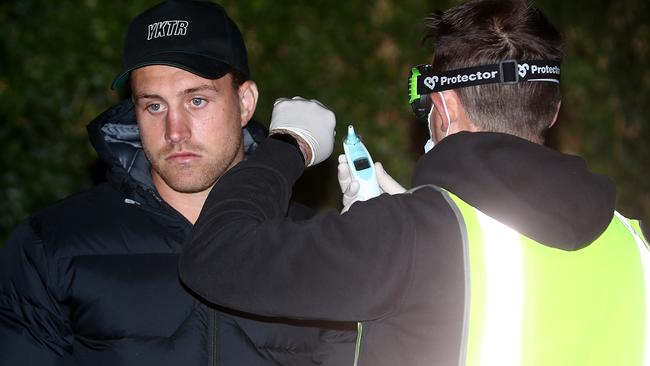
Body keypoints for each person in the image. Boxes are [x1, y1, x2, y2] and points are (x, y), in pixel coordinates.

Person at [179, 0, 650, 365]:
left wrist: (288, 145)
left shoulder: (406, 238)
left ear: (441, 108)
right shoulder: (633, 245)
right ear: (552, 110)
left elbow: (216, 255)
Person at [0, 1, 354, 365]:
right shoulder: (52, 244)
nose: (175, 132)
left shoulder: (312, 244)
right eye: (154, 106)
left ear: (245, 102)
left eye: (197, 100)